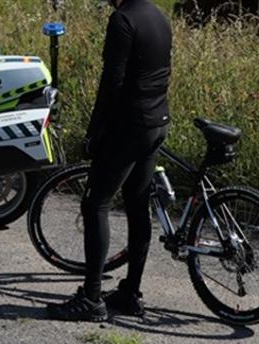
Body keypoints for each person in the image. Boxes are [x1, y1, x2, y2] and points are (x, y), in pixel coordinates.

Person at [46, 0, 172, 321]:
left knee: (95, 204)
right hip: (157, 120)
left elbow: (112, 83)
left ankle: (91, 298)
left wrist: (94, 133)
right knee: (137, 205)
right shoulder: (159, 15)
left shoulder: (122, 20)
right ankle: (130, 292)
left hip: (128, 126)